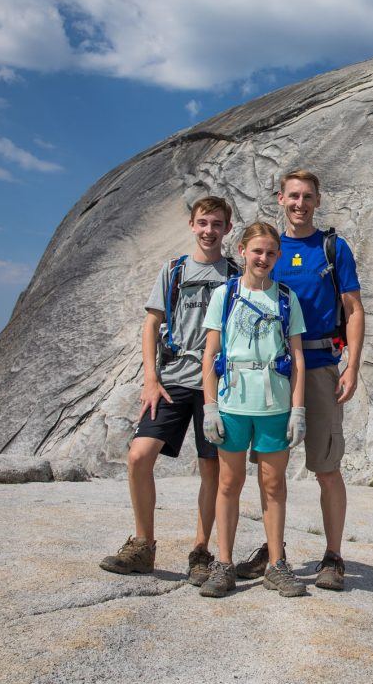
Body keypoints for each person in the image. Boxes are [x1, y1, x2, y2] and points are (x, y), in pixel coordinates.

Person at [235, 170, 364, 591]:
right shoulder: (271, 247)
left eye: (307, 196)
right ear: (281, 198)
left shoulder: (333, 248)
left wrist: (353, 365)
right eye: (293, 196)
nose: (300, 203)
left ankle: (333, 556)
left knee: (327, 465)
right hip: (276, 370)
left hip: (321, 363)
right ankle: (275, 554)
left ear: (318, 201)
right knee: (272, 468)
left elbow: (354, 308)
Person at [100, 196, 234, 583]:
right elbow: (151, 324)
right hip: (173, 379)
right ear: (192, 225)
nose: (209, 230)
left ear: (227, 229)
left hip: (217, 385)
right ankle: (143, 544)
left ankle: (201, 550)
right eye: (203, 222)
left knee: (212, 467)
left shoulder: (235, 276)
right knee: (139, 456)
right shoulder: (173, 271)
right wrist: (151, 378)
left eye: (217, 224)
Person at [197, 222, 309, 598]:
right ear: (242, 251)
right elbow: (210, 353)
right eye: (257, 251)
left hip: (274, 403)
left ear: (278, 257)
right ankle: (224, 564)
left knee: (274, 484)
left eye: (271, 253)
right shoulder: (224, 294)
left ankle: (276, 563)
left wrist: (297, 409)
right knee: (229, 483)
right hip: (232, 402)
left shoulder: (285, 297)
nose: (263, 258)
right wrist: (210, 406)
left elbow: (297, 357)